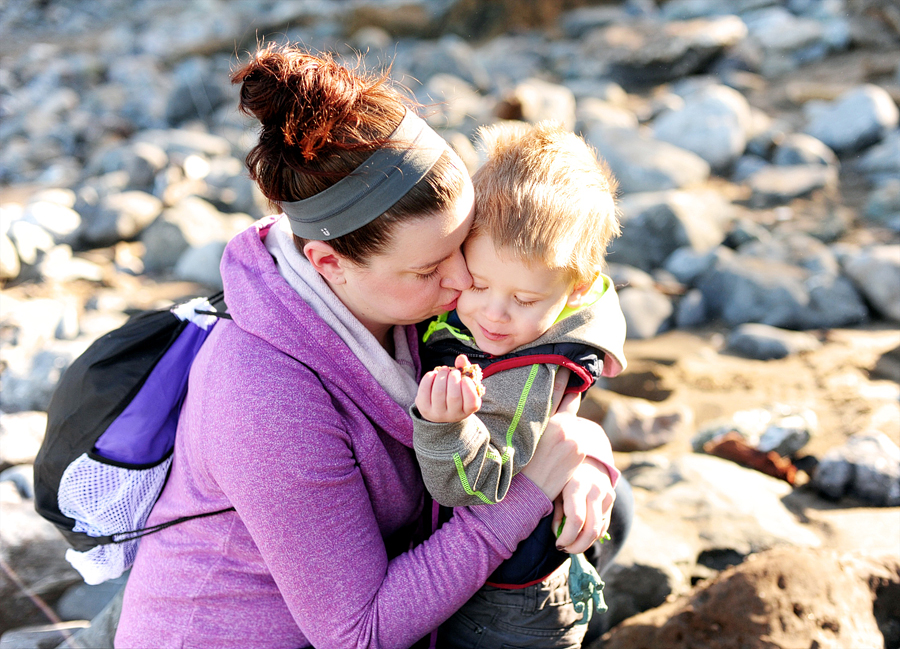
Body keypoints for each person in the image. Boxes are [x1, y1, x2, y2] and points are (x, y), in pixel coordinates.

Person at [112, 44, 622, 649]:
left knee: (608, 508)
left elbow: (562, 301)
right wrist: (528, 492)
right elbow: (359, 633)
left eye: (466, 251)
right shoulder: (261, 396)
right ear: (329, 263)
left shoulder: (403, 300)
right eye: (432, 268)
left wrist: (584, 443)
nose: (464, 287)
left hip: (382, 588)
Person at [411, 121, 626, 648]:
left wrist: (447, 427)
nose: (493, 313)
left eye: (524, 300)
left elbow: (474, 487)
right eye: (478, 282)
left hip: (510, 606)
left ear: (575, 289)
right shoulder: (525, 302)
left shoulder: (525, 373)